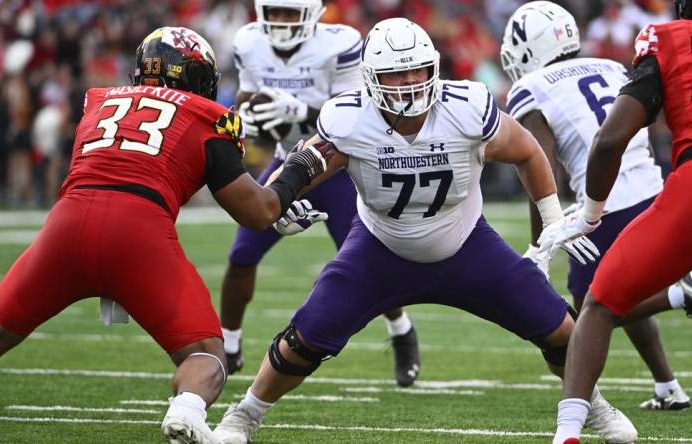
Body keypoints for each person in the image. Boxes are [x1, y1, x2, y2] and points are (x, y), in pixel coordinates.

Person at [213, 18, 638, 444]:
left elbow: (527, 150)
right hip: (379, 249)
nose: (410, 82)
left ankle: (594, 405)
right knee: (305, 336)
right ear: (371, 78)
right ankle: (244, 415)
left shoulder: (466, 107)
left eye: (418, 69)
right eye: (397, 73)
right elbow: (306, 164)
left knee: (562, 328)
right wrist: (284, 199)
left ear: (434, 67)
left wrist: (551, 221)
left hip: (467, 244)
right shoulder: (349, 117)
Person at [0, 27, 332, 444]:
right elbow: (256, 212)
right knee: (207, 358)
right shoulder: (209, 116)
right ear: (198, 77)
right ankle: (186, 411)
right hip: (139, 233)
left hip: (65, 225)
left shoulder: (99, 101)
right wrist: (300, 168)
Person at [539, 1, 692, 442]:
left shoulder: (670, 38)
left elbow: (611, 139)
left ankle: (569, 432)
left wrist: (591, 213)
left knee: (598, 306)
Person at [500, 1, 692, 412]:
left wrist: (541, 243)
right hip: (654, 190)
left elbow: (539, 164)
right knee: (621, 282)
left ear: (529, 48)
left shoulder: (531, 87)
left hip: (605, 200)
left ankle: (678, 297)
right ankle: (668, 386)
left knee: (586, 307)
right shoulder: (608, 66)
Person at [223, 0, 422, 386]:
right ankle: (228, 345)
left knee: (368, 264)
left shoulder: (341, 43)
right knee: (242, 253)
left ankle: (401, 330)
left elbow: (357, 115)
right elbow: (247, 99)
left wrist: (301, 110)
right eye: (274, 12)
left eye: (288, 12)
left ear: (312, 13)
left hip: (336, 167)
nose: (280, 20)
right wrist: (245, 115)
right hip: (286, 163)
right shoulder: (248, 41)